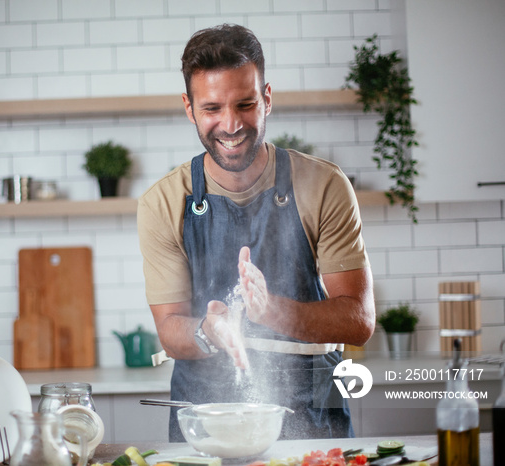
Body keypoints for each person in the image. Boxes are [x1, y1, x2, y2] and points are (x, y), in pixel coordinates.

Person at [137, 24, 375, 441]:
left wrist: (272, 312)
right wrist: (211, 331)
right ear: (189, 108)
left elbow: (358, 321)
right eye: (212, 108)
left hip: (313, 423)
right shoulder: (164, 203)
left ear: (267, 98)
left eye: (245, 104)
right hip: (206, 423)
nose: (230, 125)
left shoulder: (322, 186)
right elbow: (171, 331)